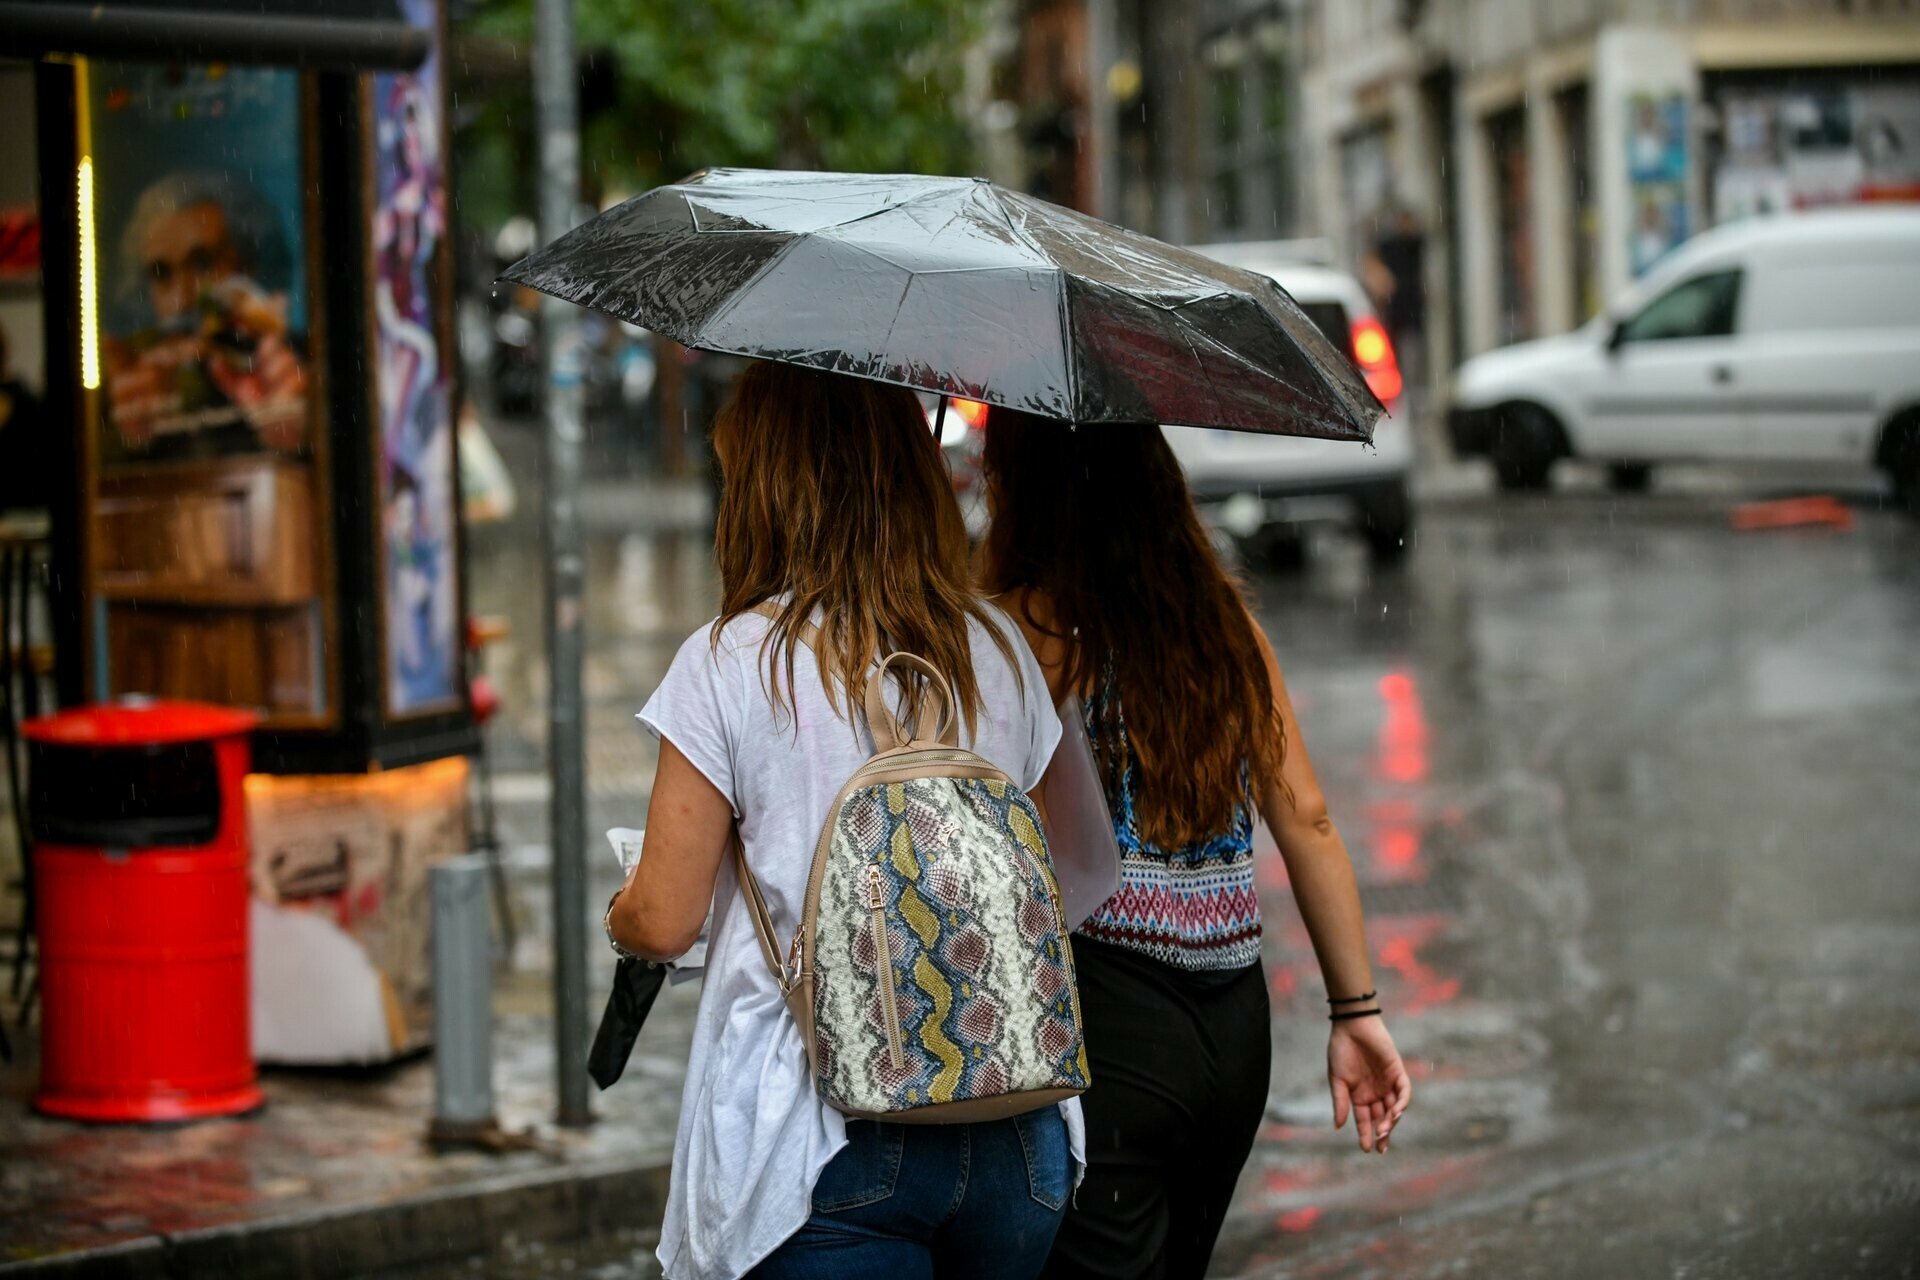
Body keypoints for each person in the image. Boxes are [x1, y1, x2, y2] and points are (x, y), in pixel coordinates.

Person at [605, 362, 1082, 1280]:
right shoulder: (999, 648)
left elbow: (665, 920)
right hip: (1018, 1125)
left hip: (822, 1138)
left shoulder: (734, 662)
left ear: (765, 484)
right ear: (910, 472)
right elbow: (1073, 875)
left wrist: (620, 909)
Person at [979, 414, 1412, 1280]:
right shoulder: (1224, 629)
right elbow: (1309, 822)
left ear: (1024, 484)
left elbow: (983, 837)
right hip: (1234, 1033)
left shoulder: (1023, 631)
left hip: (1111, 1025)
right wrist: (1356, 1012)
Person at [103, 171, 309, 455]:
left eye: (202, 264)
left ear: (246, 265)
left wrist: (299, 431)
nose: (182, 298)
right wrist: (130, 438)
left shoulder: (299, 364)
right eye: (161, 274)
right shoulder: (133, 378)